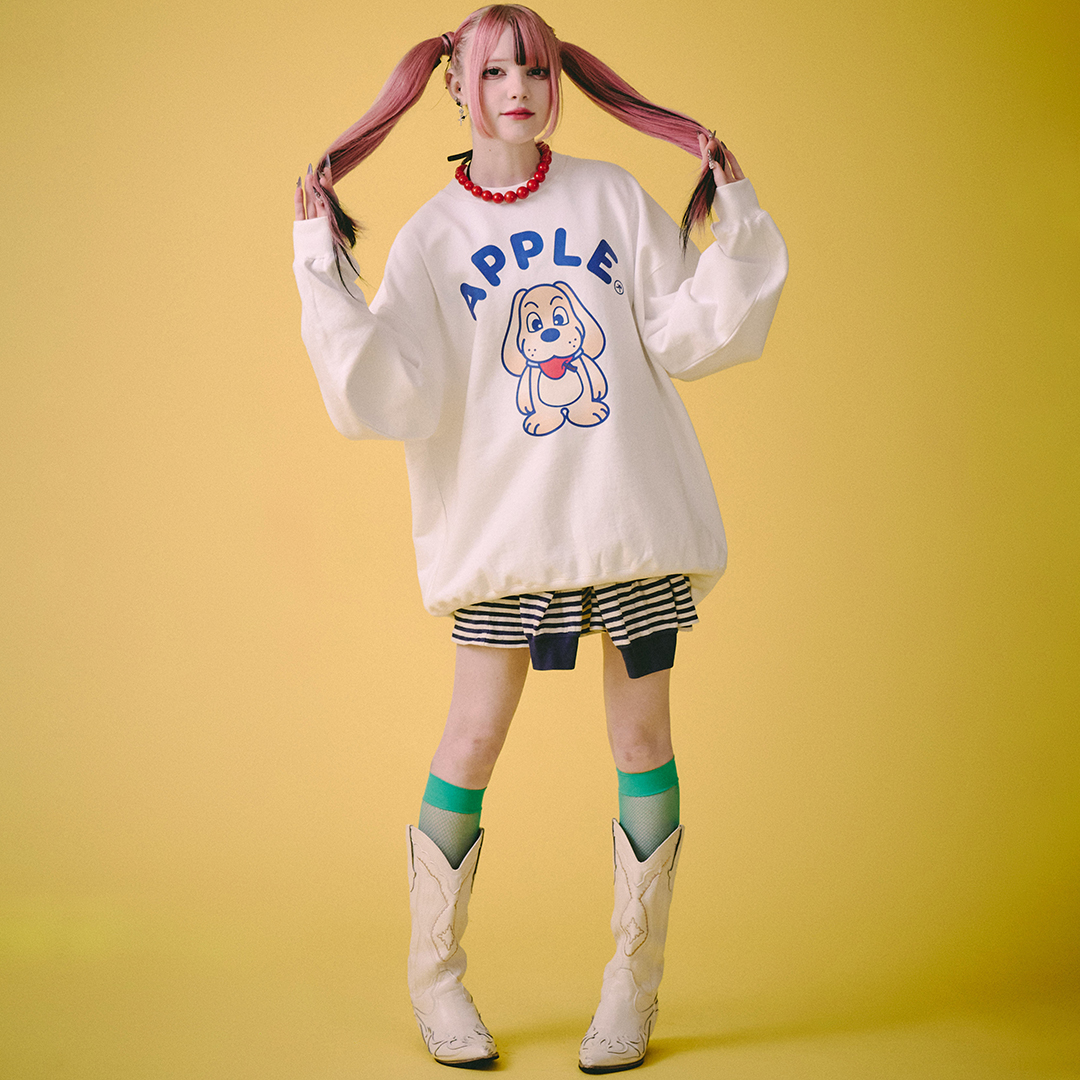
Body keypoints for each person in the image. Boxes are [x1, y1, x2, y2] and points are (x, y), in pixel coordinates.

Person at [293, 4, 786, 1071]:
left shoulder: (611, 196)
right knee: (472, 739)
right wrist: (318, 258)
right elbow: (389, 390)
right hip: (509, 536)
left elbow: (687, 330)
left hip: (628, 523)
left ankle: (632, 987)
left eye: (536, 69)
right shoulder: (432, 238)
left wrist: (736, 209)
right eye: (493, 71)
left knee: (642, 744)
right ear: (455, 86)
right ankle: (435, 981)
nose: (516, 89)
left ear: (558, 81)